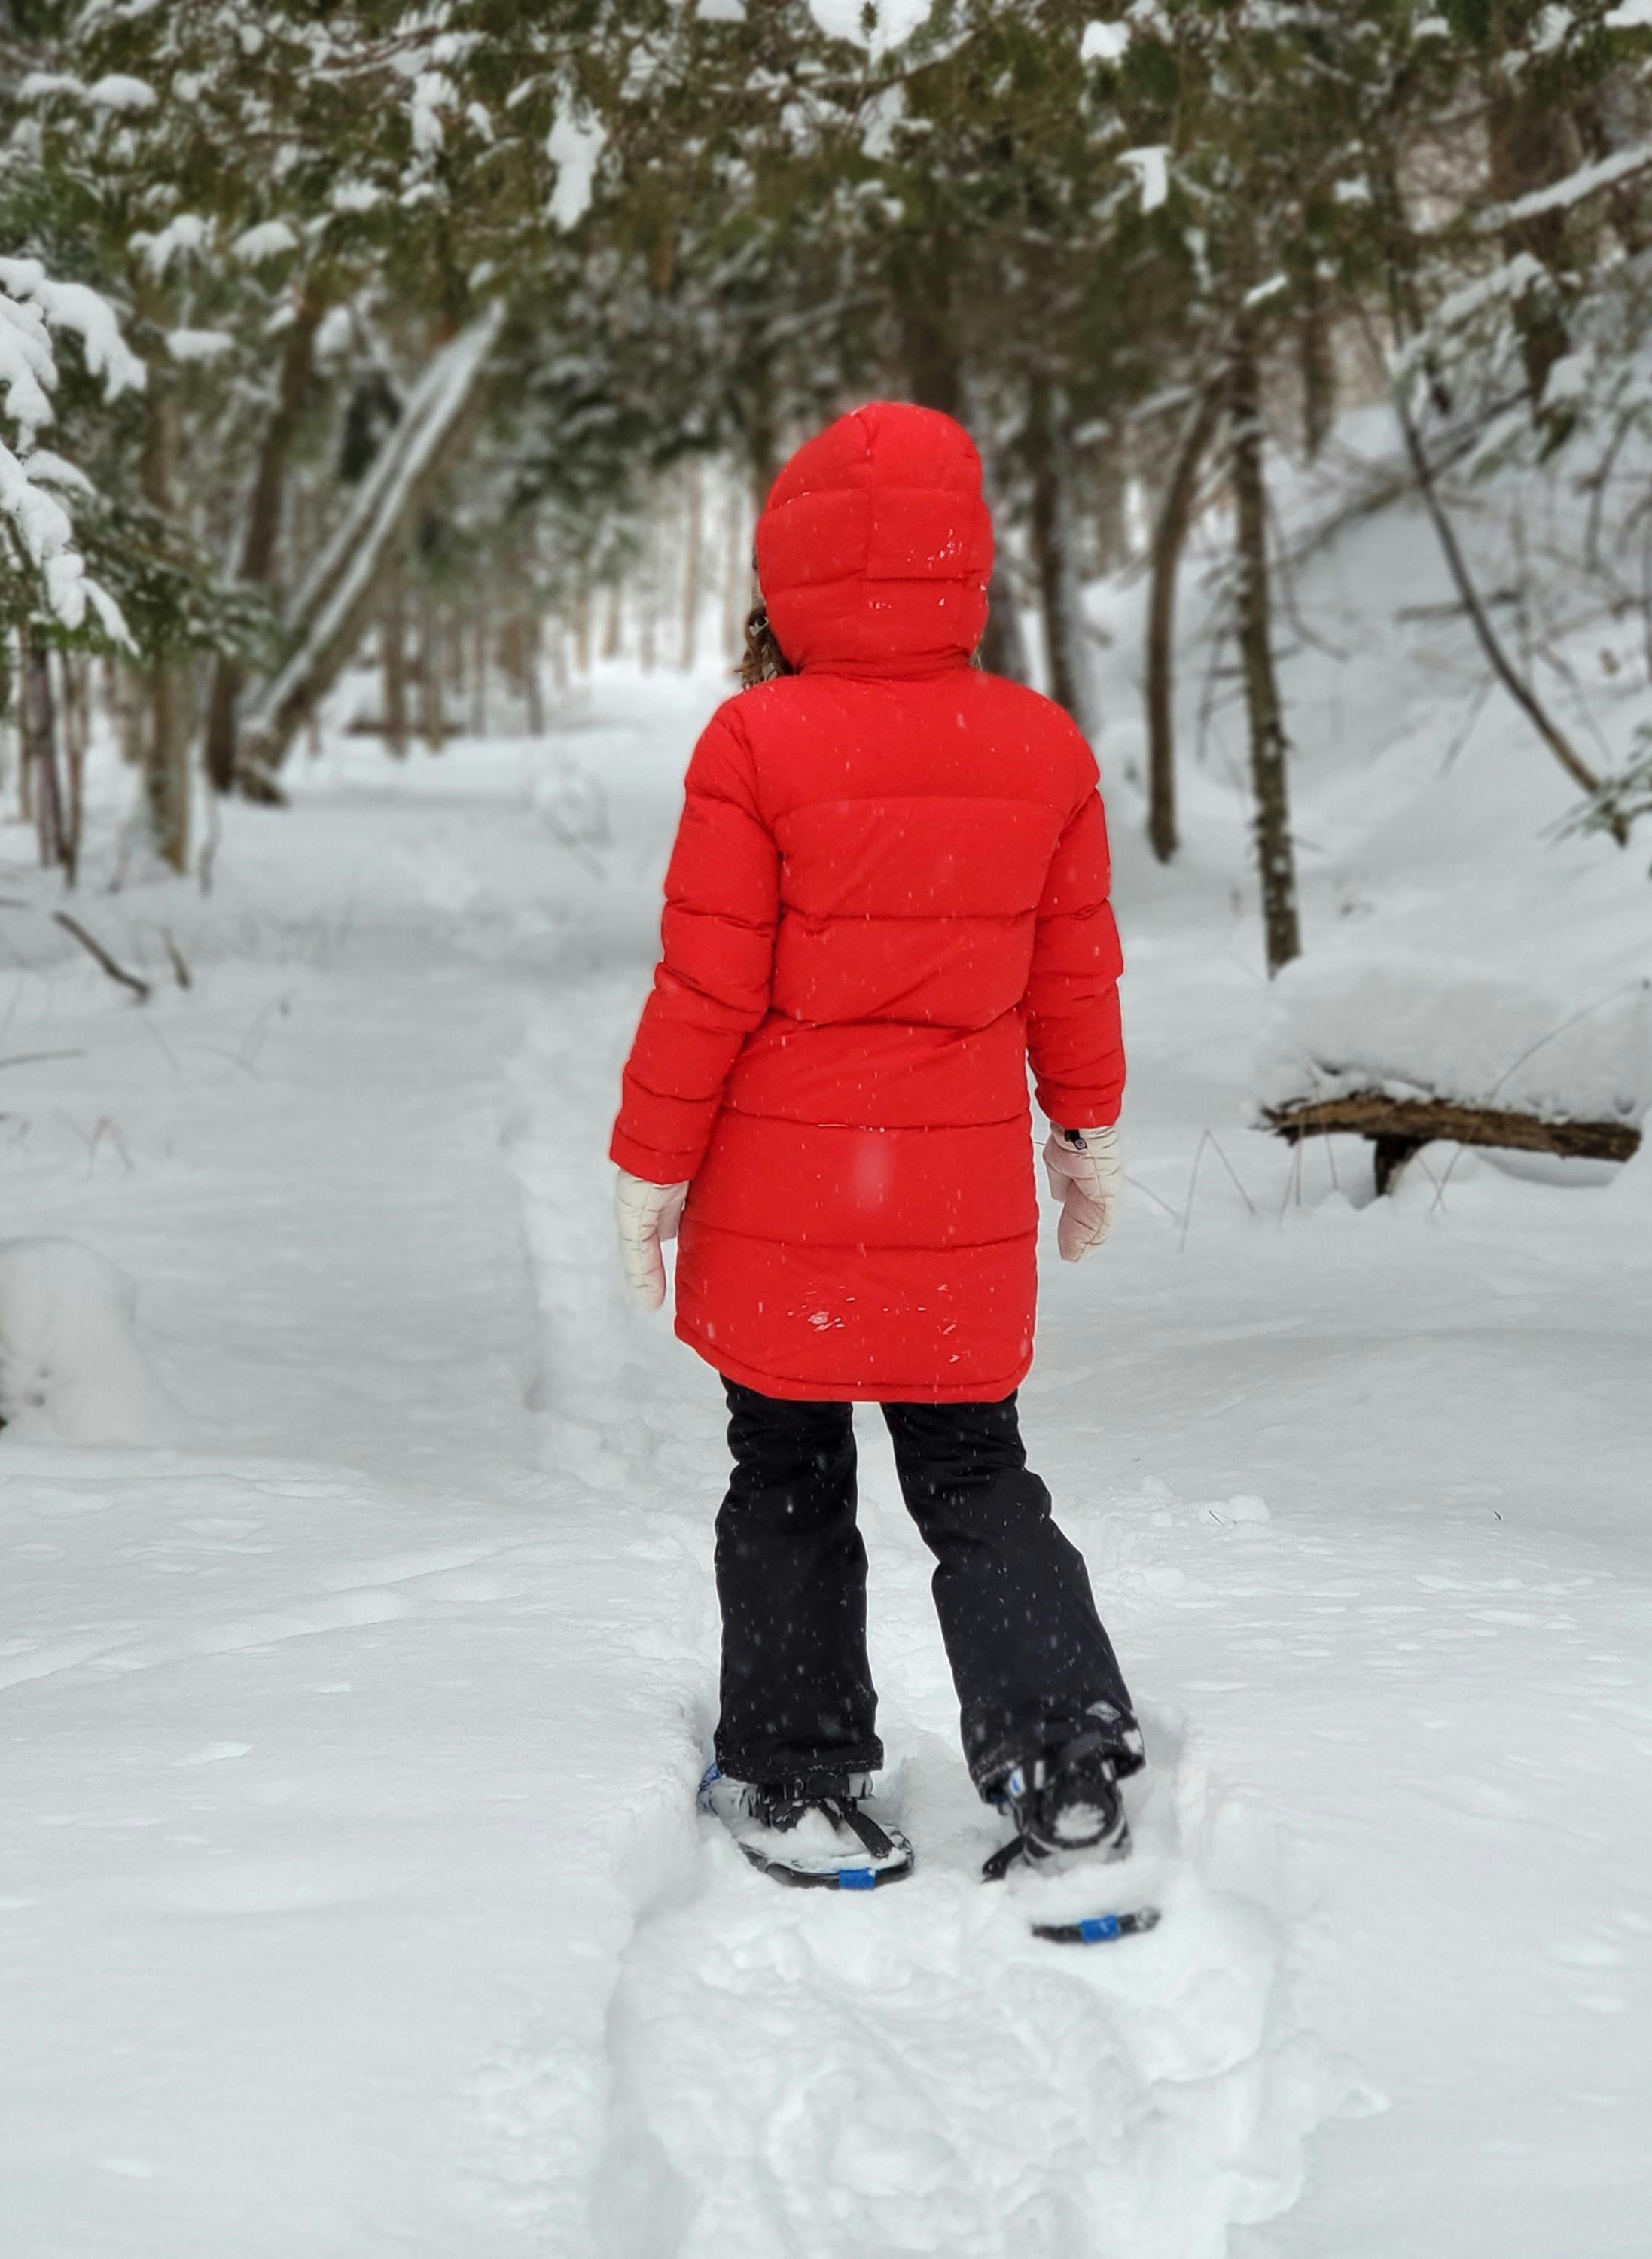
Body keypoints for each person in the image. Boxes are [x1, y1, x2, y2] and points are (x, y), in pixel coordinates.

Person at [608, 401, 1143, 1893]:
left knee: (783, 1469)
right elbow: (1072, 977)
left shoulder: (754, 739)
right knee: (975, 1474)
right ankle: (1063, 1751)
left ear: (788, 575)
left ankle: (795, 1767)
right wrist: (1082, 1129)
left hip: (784, 1197)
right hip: (954, 1196)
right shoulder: (1037, 747)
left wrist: (652, 1165)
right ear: (960, 563)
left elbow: (705, 982)